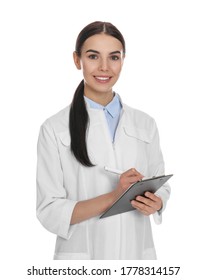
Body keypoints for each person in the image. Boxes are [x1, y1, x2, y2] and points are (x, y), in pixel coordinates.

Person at [36, 21, 171, 260]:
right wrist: (114, 196)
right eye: (93, 56)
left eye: (114, 57)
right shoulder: (54, 128)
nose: (104, 67)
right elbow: (49, 210)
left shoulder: (145, 123)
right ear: (77, 60)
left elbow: (162, 185)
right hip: (82, 261)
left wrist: (157, 203)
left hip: (136, 258)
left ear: (123, 60)